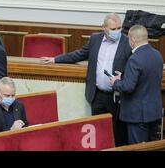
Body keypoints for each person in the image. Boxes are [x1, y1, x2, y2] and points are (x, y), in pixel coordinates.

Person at [41, 13, 131, 146]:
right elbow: (80, 54)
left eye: (119, 28)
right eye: (113, 29)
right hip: (97, 95)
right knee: (98, 134)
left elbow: (134, 67)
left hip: (116, 97)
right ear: (104, 28)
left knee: (117, 135)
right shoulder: (95, 39)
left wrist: (123, 77)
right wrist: (56, 59)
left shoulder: (127, 42)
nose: (117, 32)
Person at [110, 25, 164, 144]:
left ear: (132, 40)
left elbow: (128, 87)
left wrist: (116, 82)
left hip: (138, 115)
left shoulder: (135, 58)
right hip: (154, 112)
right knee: (152, 147)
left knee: (137, 147)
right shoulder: (157, 55)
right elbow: (146, 78)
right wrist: (124, 77)